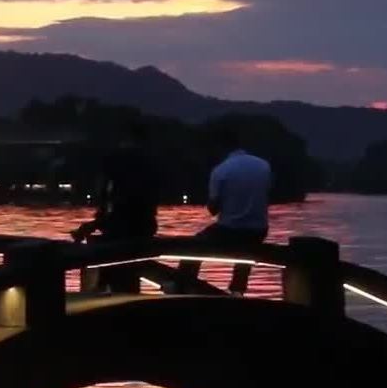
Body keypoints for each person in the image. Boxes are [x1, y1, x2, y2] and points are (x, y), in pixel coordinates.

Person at [72, 120, 160, 293]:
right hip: (144, 227)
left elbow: (104, 192)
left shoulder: (115, 159)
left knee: (110, 267)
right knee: (130, 274)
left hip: (117, 227)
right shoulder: (151, 162)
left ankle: (104, 294)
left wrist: (98, 220)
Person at [180, 129, 272, 294]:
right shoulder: (263, 165)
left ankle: (184, 286)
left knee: (193, 246)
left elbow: (213, 210)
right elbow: (267, 194)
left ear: (221, 147)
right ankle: (238, 290)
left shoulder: (221, 170)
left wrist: (211, 201)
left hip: (230, 230)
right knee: (246, 253)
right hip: (259, 230)